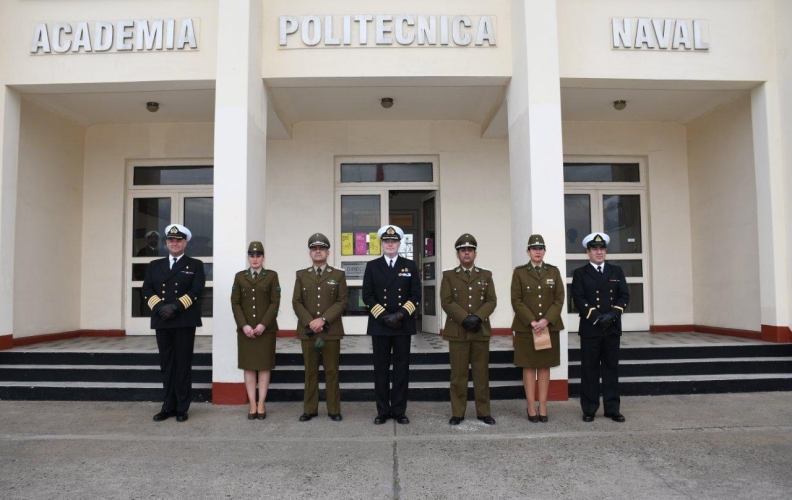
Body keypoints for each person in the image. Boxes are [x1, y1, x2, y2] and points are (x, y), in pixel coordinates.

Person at [142, 223, 205, 423]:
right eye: (170, 240)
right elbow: (147, 290)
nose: (174, 243)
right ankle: (167, 406)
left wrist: (175, 307)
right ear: (166, 243)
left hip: (184, 320)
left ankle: (182, 408)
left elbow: (196, 291)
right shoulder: (155, 265)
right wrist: (161, 308)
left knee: (183, 365)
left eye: (178, 240)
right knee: (167, 365)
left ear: (185, 242)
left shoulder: (195, 264)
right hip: (162, 320)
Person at [362, 225, 421, 425]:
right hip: (380, 325)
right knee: (380, 369)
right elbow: (367, 296)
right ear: (381, 243)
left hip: (402, 325)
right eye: (386, 241)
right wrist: (385, 317)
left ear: (399, 243)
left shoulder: (410, 265)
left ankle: (399, 410)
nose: (390, 244)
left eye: (393, 241)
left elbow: (416, 295)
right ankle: (382, 411)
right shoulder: (372, 266)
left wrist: (400, 315)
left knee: (401, 369)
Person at [571, 232, 630, 423]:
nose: (599, 252)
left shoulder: (616, 271)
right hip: (590, 328)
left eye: (602, 248)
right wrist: (596, 317)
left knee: (611, 369)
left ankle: (612, 409)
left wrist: (612, 315)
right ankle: (589, 409)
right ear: (588, 252)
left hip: (611, 328)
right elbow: (578, 299)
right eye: (595, 249)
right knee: (589, 370)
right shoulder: (580, 273)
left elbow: (624, 296)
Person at [440, 234, 497, 426]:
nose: (467, 253)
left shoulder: (486, 275)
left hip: (480, 331)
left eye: (470, 250)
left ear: (475, 253)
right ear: (457, 254)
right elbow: (446, 301)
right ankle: (458, 412)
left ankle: (483, 412)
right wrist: (465, 318)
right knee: (458, 374)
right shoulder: (448, 276)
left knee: (481, 374)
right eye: (463, 250)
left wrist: (478, 317)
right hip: (458, 331)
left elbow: (491, 301)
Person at [292, 233, 349, 422]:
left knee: (332, 371)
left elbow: (342, 301)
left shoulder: (338, 275)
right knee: (310, 371)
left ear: (328, 252)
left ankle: (334, 409)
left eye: (321, 248)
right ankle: (310, 409)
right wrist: (311, 322)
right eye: (314, 249)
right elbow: (297, 302)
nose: (318, 251)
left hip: (330, 331)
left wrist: (323, 319)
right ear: (310, 253)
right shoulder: (301, 275)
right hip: (308, 331)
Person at [510, 234, 565, 423]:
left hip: (548, 327)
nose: (538, 251)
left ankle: (543, 405)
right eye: (534, 248)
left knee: (544, 366)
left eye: (541, 248)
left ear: (544, 251)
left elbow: (559, 299)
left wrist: (547, 320)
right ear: (528, 251)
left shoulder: (553, 271)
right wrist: (532, 321)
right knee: (528, 366)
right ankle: (531, 405)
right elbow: (516, 300)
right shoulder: (519, 272)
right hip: (527, 328)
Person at [231, 241, 280, 420]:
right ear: (248, 257)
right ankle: (252, 403)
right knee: (249, 366)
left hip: (265, 330)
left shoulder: (271, 276)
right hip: (245, 330)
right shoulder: (239, 277)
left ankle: (261, 403)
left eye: (258, 255)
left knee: (265, 366)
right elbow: (235, 302)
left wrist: (262, 325)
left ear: (263, 257)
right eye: (252, 256)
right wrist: (244, 325)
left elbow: (275, 302)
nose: (255, 259)